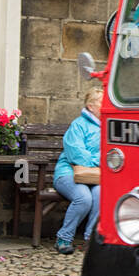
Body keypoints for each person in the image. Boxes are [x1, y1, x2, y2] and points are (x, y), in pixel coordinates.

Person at [54, 86, 103, 254]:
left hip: (95, 176)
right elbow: (77, 156)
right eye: (101, 102)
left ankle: (91, 240)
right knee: (83, 198)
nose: (106, 106)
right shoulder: (78, 125)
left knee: (101, 194)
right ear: (90, 106)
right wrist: (100, 160)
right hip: (68, 174)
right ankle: (64, 238)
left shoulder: (109, 127)